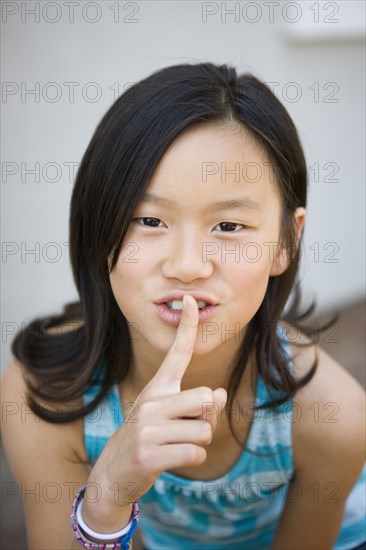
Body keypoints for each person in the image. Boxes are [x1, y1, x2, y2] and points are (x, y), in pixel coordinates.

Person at [1, 62, 365, 550]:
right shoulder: (44, 397)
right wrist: (106, 497)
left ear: (286, 242)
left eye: (229, 227)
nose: (188, 266)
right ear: (98, 226)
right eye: (149, 220)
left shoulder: (332, 415)